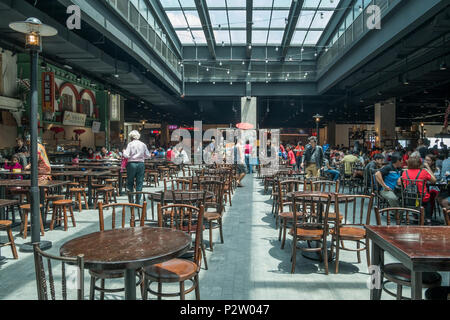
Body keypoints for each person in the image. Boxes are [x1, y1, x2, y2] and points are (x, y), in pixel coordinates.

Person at [401, 155, 436, 225]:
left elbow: (399, 182)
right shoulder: (423, 172)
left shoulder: (405, 172)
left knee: (415, 199)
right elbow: (434, 181)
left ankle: (415, 215)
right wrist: (427, 169)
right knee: (428, 199)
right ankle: (428, 219)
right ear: (420, 163)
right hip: (422, 198)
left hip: (409, 198)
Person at [123, 130, 151, 204]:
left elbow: (126, 155)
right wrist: (142, 156)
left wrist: (123, 151)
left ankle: (131, 201)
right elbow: (148, 155)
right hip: (141, 164)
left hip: (131, 164)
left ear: (131, 137)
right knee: (139, 182)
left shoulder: (130, 144)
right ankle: (138, 201)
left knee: (130, 183)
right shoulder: (143, 144)